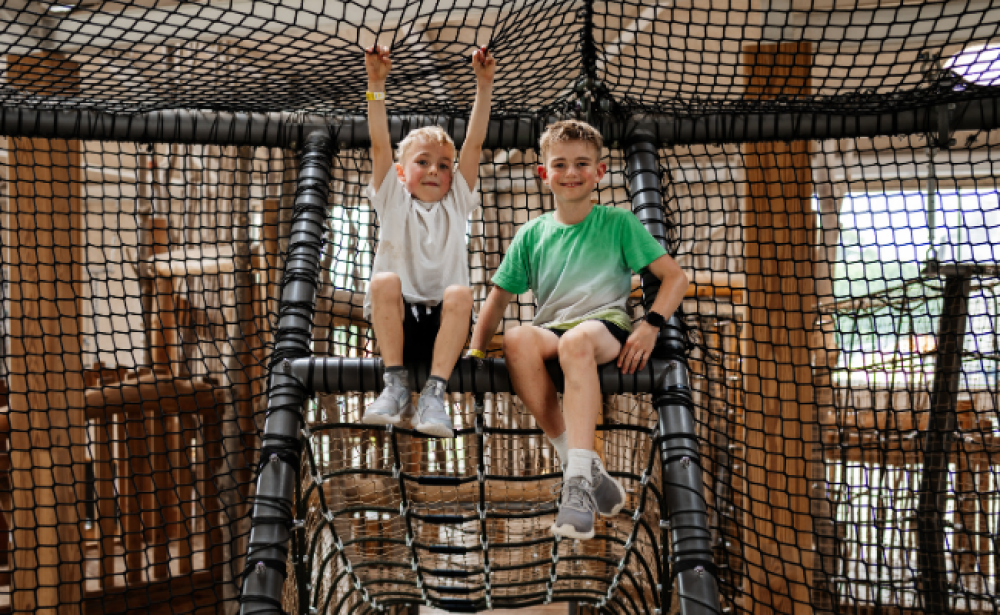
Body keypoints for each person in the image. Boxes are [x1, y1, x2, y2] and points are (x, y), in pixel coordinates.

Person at [467, 120, 689, 539]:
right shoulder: (532, 233)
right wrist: (476, 351)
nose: (571, 173)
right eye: (561, 164)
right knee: (516, 337)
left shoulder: (618, 223)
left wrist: (650, 327)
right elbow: (497, 299)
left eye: (582, 164)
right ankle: (579, 462)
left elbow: (675, 278)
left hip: (605, 326)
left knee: (576, 342)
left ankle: (577, 485)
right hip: (552, 328)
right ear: (543, 173)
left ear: (600, 172)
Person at [360, 44, 497, 438]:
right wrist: (375, 84)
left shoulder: (457, 201)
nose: (434, 170)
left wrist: (483, 86)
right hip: (397, 327)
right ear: (402, 173)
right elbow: (380, 143)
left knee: (461, 292)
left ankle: (434, 395)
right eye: (422, 162)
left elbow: (472, 145)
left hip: (443, 329)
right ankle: (396, 385)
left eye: (442, 165)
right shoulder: (392, 197)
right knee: (385, 280)